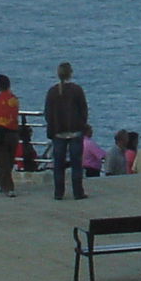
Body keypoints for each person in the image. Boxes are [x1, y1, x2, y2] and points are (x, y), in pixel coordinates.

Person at [43, 63, 90, 200]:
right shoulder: (77, 90)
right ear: (71, 73)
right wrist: (82, 125)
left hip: (58, 132)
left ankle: (59, 193)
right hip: (75, 132)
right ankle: (78, 192)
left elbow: (48, 113)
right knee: (76, 164)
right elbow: (84, 110)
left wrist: (52, 128)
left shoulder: (52, 92)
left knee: (58, 165)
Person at [0, 75, 23, 195]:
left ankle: (7, 187)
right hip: (12, 134)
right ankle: (5, 185)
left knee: (1, 162)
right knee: (9, 161)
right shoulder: (14, 100)